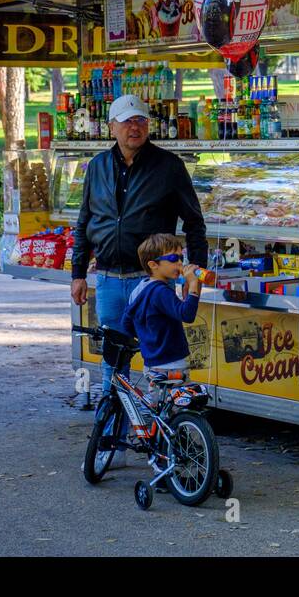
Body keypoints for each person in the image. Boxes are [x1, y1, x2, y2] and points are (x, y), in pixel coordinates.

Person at [71, 94, 208, 455]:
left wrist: (198, 268)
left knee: (159, 364)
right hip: (110, 280)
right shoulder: (98, 166)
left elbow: (194, 221)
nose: (135, 128)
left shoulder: (169, 166)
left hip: (152, 284)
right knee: (112, 363)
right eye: (128, 121)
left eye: (141, 121)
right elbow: (84, 222)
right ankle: (108, 438)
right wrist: (78, 272)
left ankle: (162, 440)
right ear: (112, 127)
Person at [121, 233, 201, 410]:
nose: (180, 263)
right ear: (153, 265)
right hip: (173, 363)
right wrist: (194, 286)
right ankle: (176, 435)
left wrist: (147, 338)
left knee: (160, 408)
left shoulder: (141, 288)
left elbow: (127, 322)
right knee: (180, 410)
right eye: (173, 258)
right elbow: (186, 314)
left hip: (152, 362)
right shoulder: (161, 292)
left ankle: (157, 435)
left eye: (181, 257)